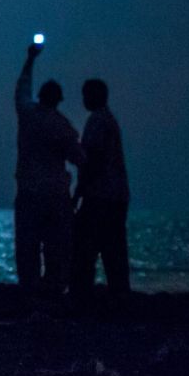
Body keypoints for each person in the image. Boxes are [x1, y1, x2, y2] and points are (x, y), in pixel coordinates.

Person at [13, 41, 84, 294]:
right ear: (58, 100)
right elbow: (80, 159)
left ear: (41, 96)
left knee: (27, 247)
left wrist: (31, 59)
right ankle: (53, 291)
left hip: (29, 191)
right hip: (55, 193)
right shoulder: (63, 126)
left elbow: (22, 88)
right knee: (56, 247)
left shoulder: (28, 115)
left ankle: (29, 291)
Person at [71, 78, 131, 298]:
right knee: (113, 250)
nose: (84, 99)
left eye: (86, 94)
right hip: (115, 196)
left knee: (84, 250)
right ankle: (120, 295)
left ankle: (81, 297)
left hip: (100, 196)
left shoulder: (97, 121)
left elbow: (93, 160)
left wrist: (78, 192)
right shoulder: (109, 120)